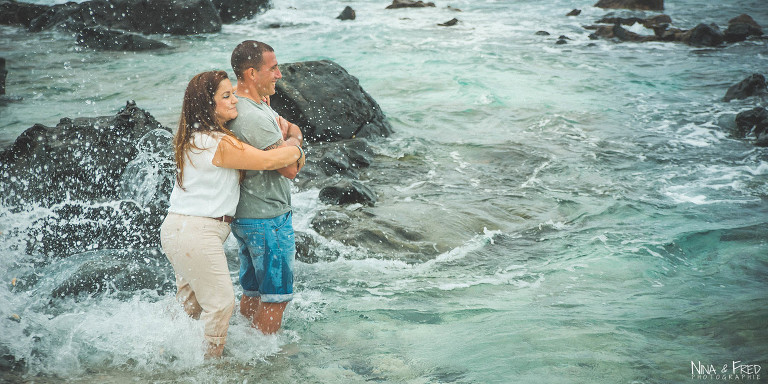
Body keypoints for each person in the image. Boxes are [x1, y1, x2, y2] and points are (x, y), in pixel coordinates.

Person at [160, 70, 305, 358]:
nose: (235, 100)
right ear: (208, 105)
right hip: (198, 233)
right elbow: (271, 161)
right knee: (221, 304)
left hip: (176, 229)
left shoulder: (194, 137)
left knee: (190, 308)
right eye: (226, 96)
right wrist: (295, 145)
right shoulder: (219, 143)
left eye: (233, 94)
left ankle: (167, 357)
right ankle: (212, 366)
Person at [228, 40, 304, 334]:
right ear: (251, 73)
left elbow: (283, 137)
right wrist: (295, 139)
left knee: (253, 292)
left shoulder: (243, 104)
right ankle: (263, 356)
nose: (279, 75)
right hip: (267, 219)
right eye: (273, 68)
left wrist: (286, 138)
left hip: (247, 215)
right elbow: (290, 168)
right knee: (276, 299)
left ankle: (245, 343)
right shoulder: (253, 117)